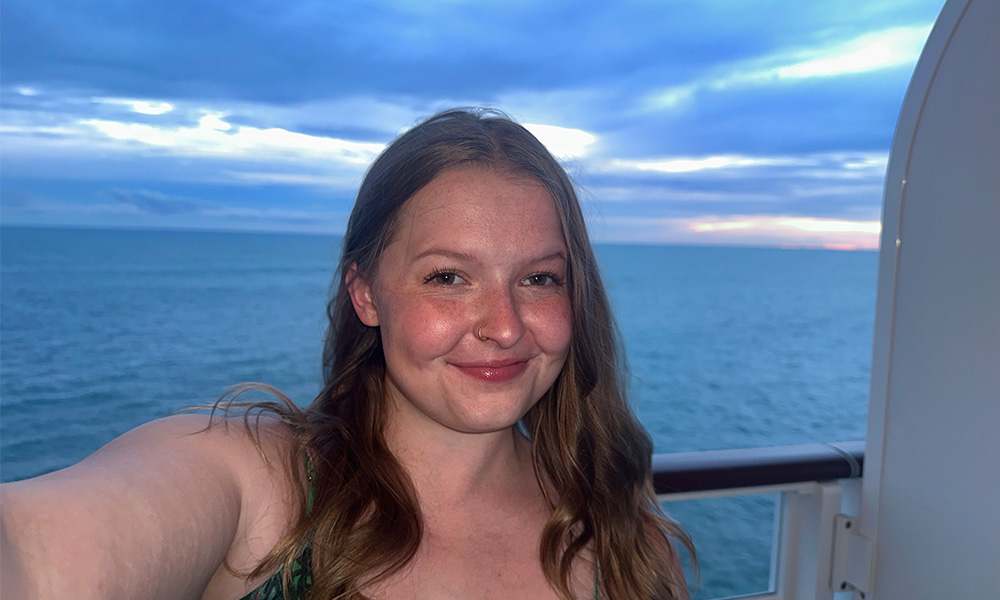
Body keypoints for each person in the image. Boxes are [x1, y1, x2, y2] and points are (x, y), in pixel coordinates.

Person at [1, 108, 693, 599]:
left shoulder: (629, 552)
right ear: (365, 294)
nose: (504, 327)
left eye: (539, 279)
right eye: (447, 277)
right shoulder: (261, 490)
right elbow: (32, 553)